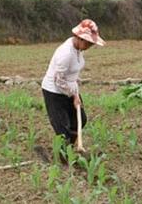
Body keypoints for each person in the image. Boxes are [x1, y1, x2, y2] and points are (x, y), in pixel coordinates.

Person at [41, 19, 105, 152]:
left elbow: (71, 75)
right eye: (89, 43)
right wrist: (74, 95)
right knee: (62, 128)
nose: (91, 46)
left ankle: (71, 149)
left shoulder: (78, 48)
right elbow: (58, 80)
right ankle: (63, 156)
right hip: (54, 92)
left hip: (69, 89)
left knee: (80, 120)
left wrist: (75, 92)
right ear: (80, 38)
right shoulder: (66, 54)